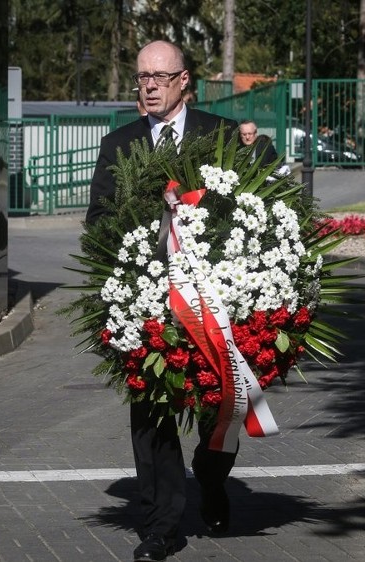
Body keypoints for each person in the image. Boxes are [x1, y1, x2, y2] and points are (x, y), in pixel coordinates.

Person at [86, 40, 239, 562]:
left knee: (224, 404)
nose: (148, 85)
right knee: (151, 412)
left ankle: (213, 477)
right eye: (141, 78)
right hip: (146, 299)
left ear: (183, 81)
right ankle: (160, 525)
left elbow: (245, 208)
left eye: (159, 76)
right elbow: (98, 225)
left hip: (211, 300)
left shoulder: (219, 135)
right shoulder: (119, 144)